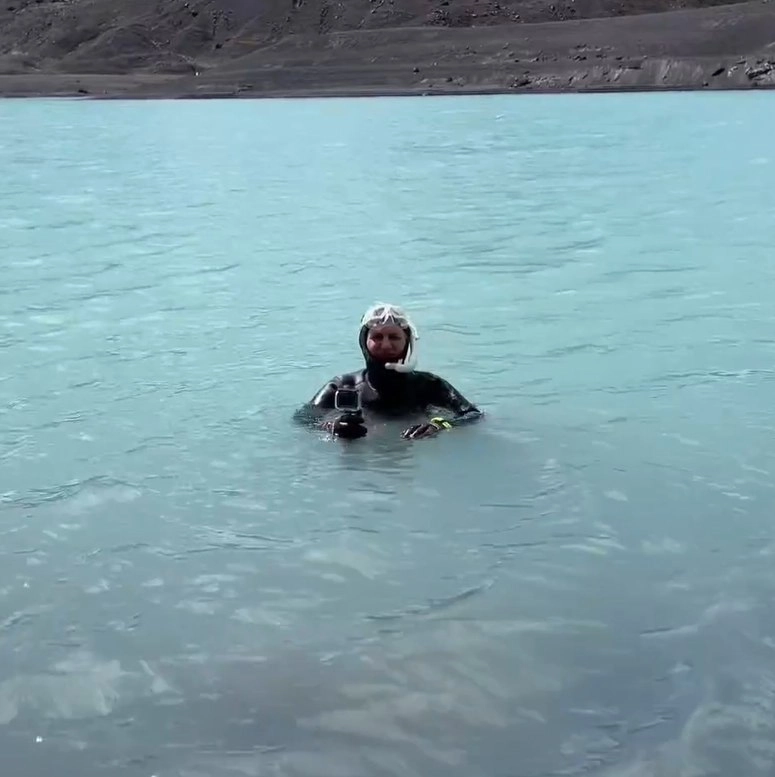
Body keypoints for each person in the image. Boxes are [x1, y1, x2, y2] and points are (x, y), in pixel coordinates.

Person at [293, 303, 484, 439]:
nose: (385, 345)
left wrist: (440, 424)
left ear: (407, 342)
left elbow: (473, 415)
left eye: (393, 337)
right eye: (377, 337)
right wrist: (330, 427)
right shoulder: (343, 386)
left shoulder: (428, 386)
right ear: (364, 342)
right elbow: (302, 419)